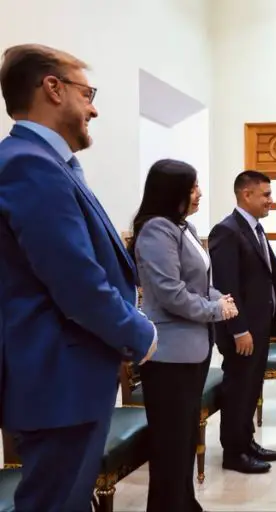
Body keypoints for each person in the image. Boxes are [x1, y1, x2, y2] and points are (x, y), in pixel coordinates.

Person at [0, 44, 157, 510]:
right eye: (87, 93)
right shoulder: (27, 164)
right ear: (52, 88)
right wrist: (139, 331)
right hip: (57, 380)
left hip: (68, 378)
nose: (94, 107)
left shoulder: (48, 164)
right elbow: (76, 281)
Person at [129, 159, 238, 511]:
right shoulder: (155, 230)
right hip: (168, 355)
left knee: (185, 440)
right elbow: (170, 293)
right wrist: (214, 310)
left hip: (193, 349)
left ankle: (185, 503)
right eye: (192, 187)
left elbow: (198, 283)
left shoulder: (184, 227)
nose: (199, 193)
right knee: (171, 446)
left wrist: (218, 297)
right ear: (172, 191)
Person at [208, 170, 276, 473]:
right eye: (265, 194)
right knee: (238, 388)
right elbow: (228, 288)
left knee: (251, 387)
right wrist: (239, 329)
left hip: (260, 327)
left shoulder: (255, 228)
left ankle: (247, 440)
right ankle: (233, 453)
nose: (271, 200)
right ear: (246, 195)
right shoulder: (226, 231)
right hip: (243, 331)